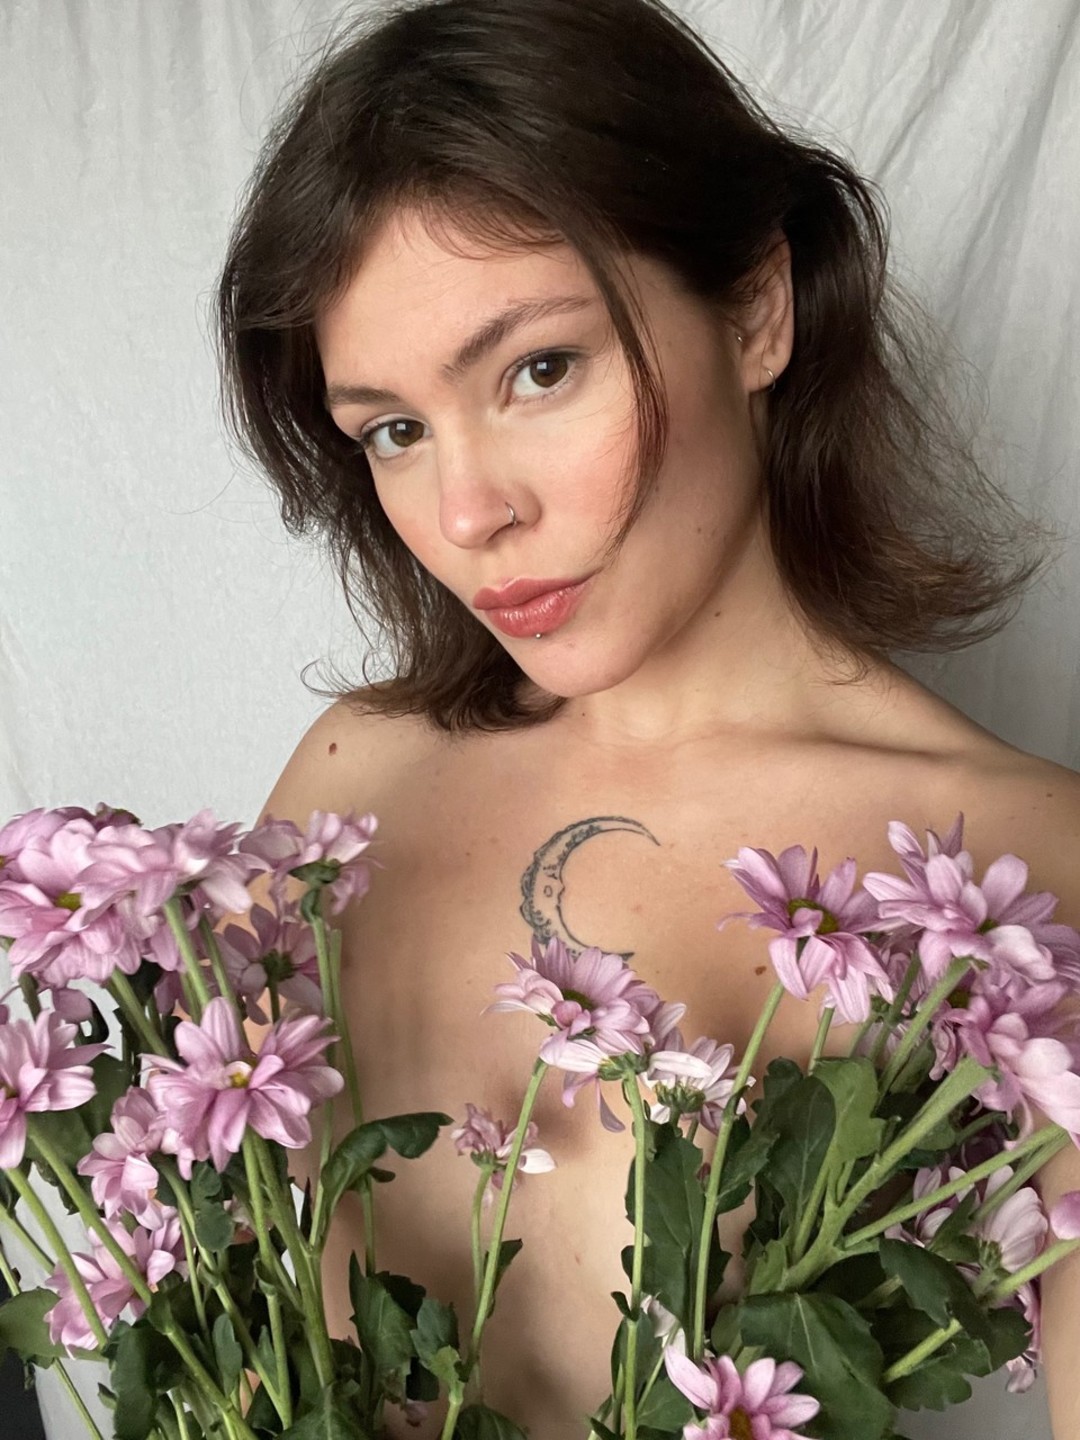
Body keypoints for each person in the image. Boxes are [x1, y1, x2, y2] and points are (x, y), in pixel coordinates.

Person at [214, 0, 1080, 1434]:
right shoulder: (351, 783)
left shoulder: (1028, 863)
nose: (469, 511)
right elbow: (233, 1318)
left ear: (756, 311)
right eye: (394, 430)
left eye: (540, 369)